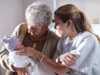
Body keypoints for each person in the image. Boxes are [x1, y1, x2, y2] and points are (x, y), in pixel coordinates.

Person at [0, 2, 71, 75]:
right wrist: (14, 66)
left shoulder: (55, 41)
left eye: (34, 28)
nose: (29, 30)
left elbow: (56, 69)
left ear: (45, 27)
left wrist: (36, 54)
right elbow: (3, 53)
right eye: (28, 25)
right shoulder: (21, 29)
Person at [54, 4, 100, 75]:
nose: (55, 27)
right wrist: (60, 58)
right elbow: (55, 62)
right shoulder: (63, 40)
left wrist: (59, 60)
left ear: (68, 23)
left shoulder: (88, 40)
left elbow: (63, 69)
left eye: (57, 24)